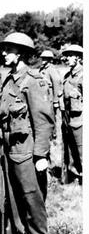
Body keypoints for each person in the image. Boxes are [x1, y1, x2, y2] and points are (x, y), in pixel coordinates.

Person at [0, 32, 55, 234]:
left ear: (20, 53)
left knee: (33, 200)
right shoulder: (9, 79)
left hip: (28, 152)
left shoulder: (34, 80)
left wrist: (41, 155)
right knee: (15, 199)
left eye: (9, 49)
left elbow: (43, 121)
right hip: (11, 150)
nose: (4, 53)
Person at [61, 44, 83, 184]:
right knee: (69, 150)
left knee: (82, 151)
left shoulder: (83, 76)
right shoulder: (67, 76)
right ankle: (74, 174)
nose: (67, 58)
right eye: (67, 55)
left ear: (78, 58)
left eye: (71, 55)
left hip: (80, 120)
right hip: (67, 119)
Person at [39, 50, 63, 140]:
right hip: (43, 96)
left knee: (52, 116)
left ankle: (54, 133)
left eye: (46, 58)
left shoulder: (51, 69)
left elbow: (56, 83)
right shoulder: (42, 69)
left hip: (50, 97)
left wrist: (56, 100)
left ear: (50, 59)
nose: (43, 60)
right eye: (43, 58)